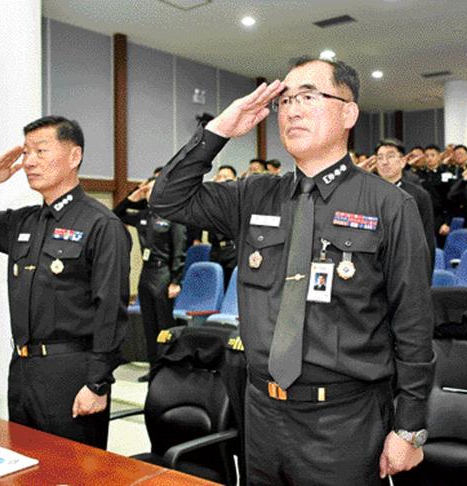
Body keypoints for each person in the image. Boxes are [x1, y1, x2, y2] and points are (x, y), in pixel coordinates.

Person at [150, 57, 435, 485]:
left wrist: (408, 427)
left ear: (349, 113)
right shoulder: (254, 194)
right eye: (285, 100)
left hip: (345, 418)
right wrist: (221, 129)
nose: (293, 109)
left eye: (308, 96)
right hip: (261, 411)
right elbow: (167, 199)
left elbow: (413, 323)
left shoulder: (389, 205)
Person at [0, 116, 131, 448]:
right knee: (26, 468)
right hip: (23, 371)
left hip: (72, 375)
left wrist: (98, 384)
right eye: (26, 152)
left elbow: (110, 309)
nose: (29, 162)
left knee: (75, 475)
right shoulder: (24, 221)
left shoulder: (101, 224)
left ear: (74, 157)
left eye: (41, 150)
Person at [114, 169, 187, 382]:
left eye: (153, 189)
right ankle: (155, 367)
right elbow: (116, 215)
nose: (148, 192)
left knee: (164, 325)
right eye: (147, 189)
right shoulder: (144, 215)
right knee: (148, 325)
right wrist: (132, 197)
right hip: (146, 272)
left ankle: (169, 367)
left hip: (163, 272)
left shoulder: (174, 216)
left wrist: (175, 280)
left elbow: (179, 251)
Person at [374, 139, 436, 277]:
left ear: (402, 162)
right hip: (374, 268)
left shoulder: (419, 195)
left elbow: (427, 239)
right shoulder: (367, 193)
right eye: (380, 158)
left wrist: (426, 275)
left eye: (390, 156)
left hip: (408, 267)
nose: (384, 162)